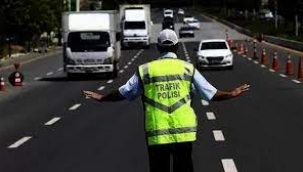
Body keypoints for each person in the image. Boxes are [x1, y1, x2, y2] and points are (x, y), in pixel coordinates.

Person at [83, 29, 250, 172]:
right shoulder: (187, 69)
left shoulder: (146, 70)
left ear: (158, 47)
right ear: (177, 47)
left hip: (157, 133)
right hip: (184, 134)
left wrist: (102, 97)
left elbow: (125, 92)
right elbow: (211, 94)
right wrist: (231, 93)